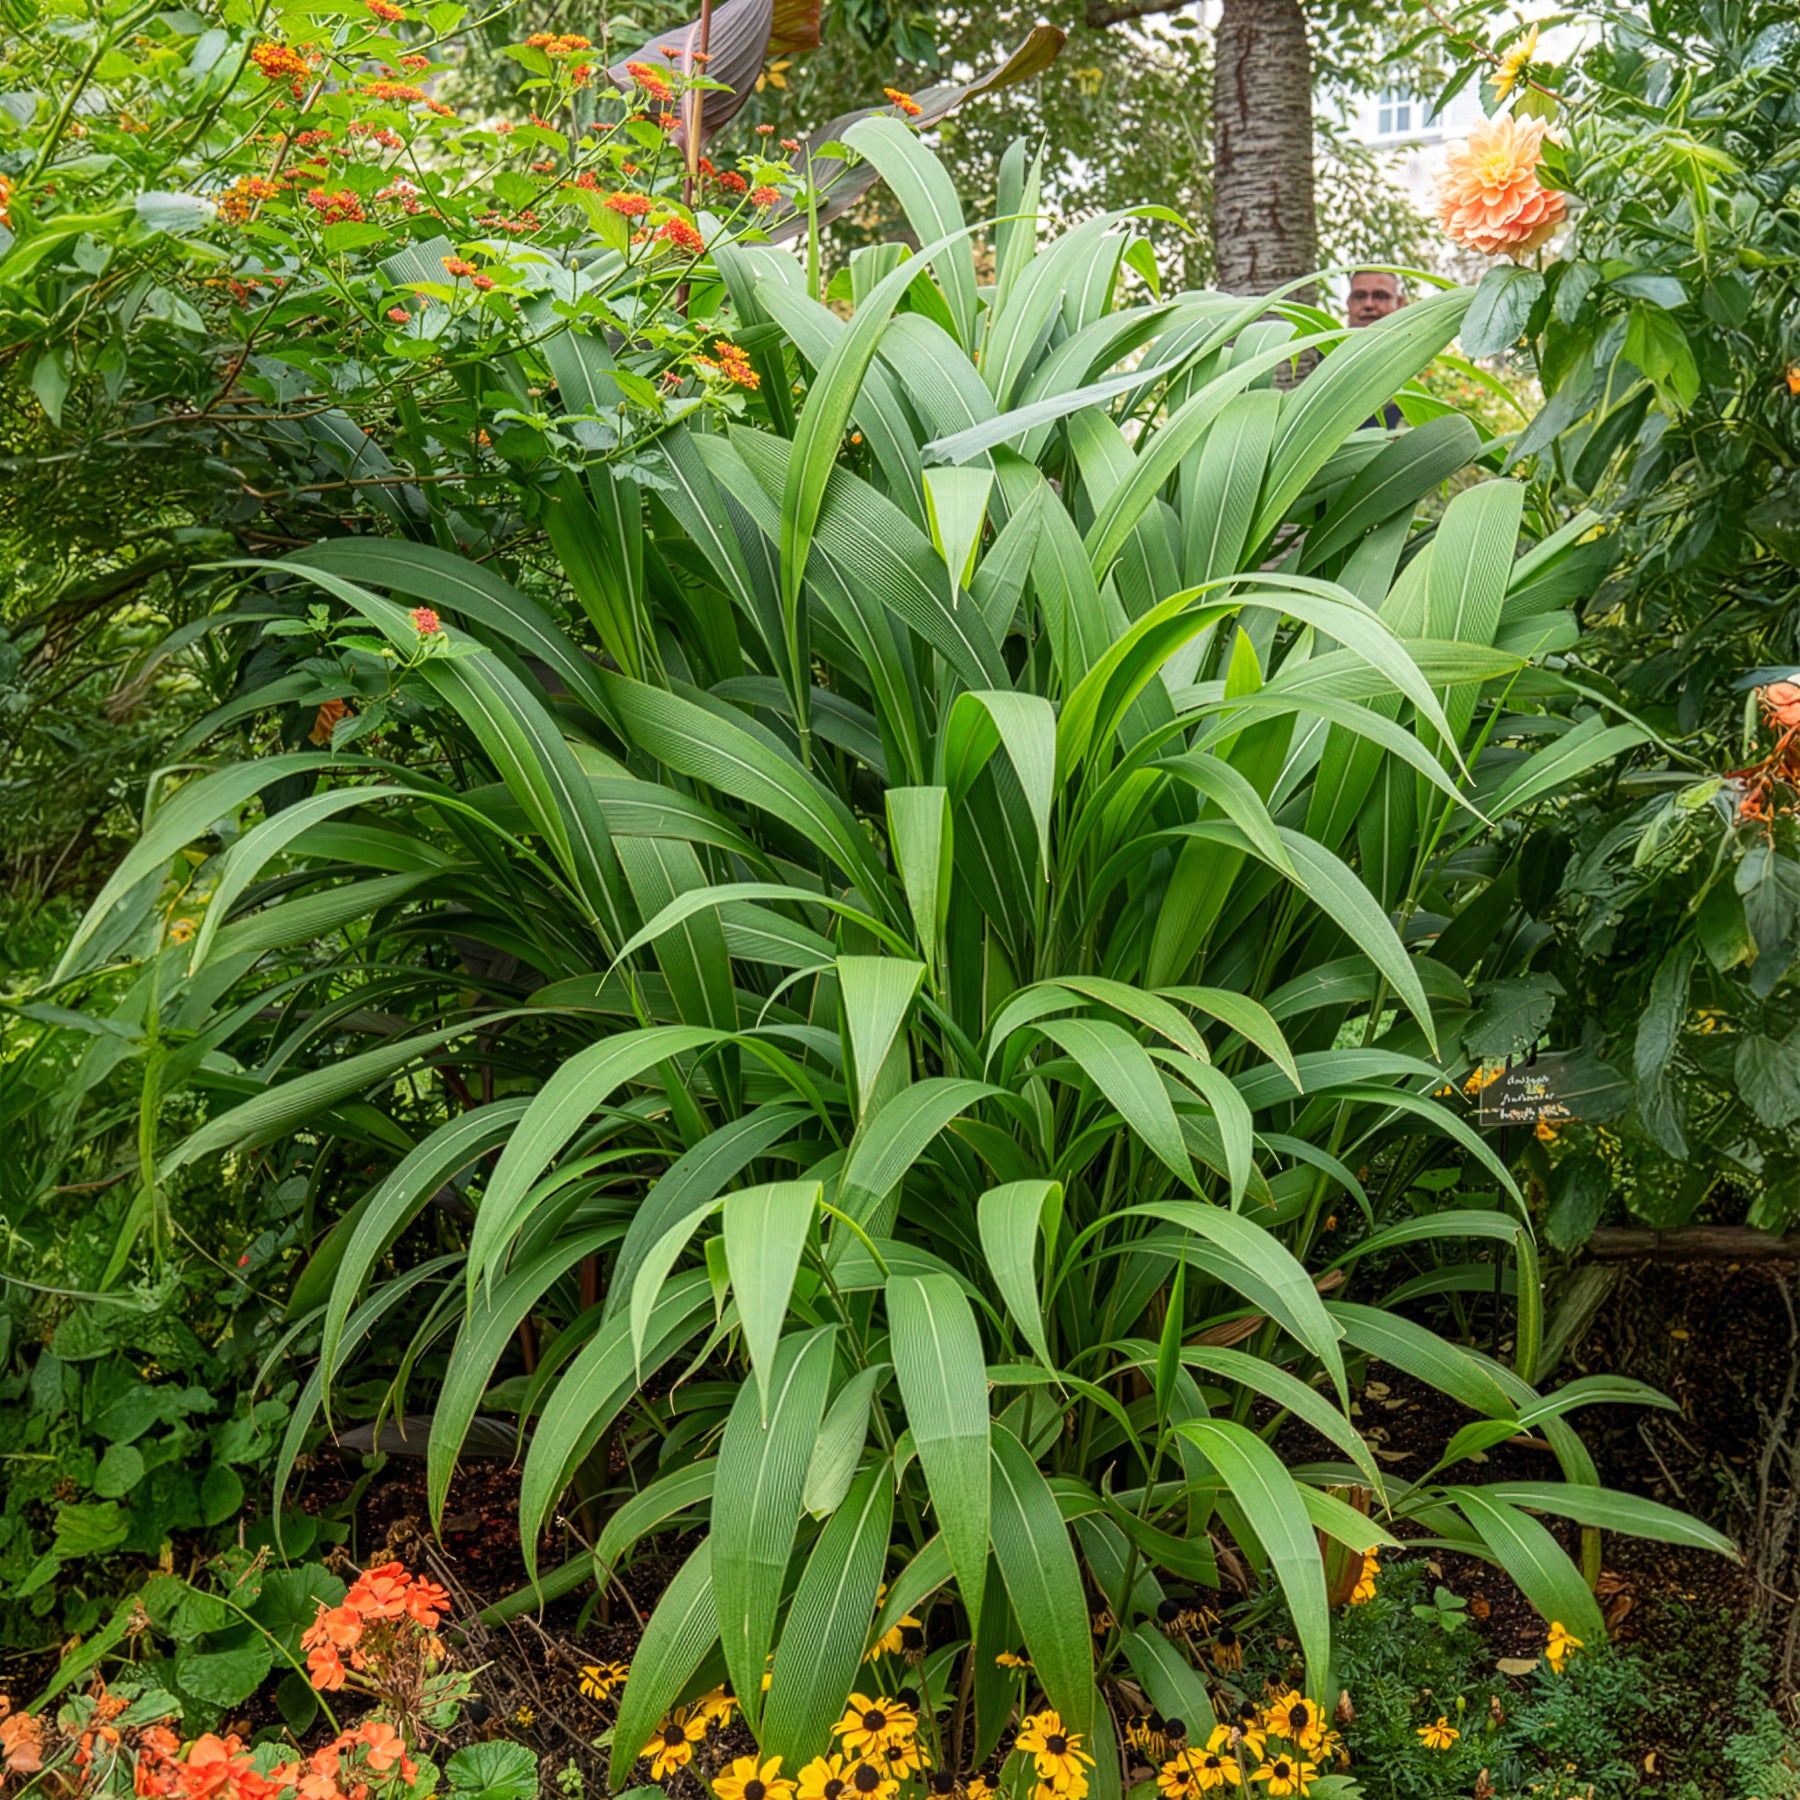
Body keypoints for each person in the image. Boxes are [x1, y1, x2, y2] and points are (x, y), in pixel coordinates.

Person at [1346, 268, 1408, 429]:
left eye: (1380, 296)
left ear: (1400, 303)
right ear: (1348, 303)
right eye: (1359, 296)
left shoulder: (1416, 360)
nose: (1368, 304)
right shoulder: (1319, 359)